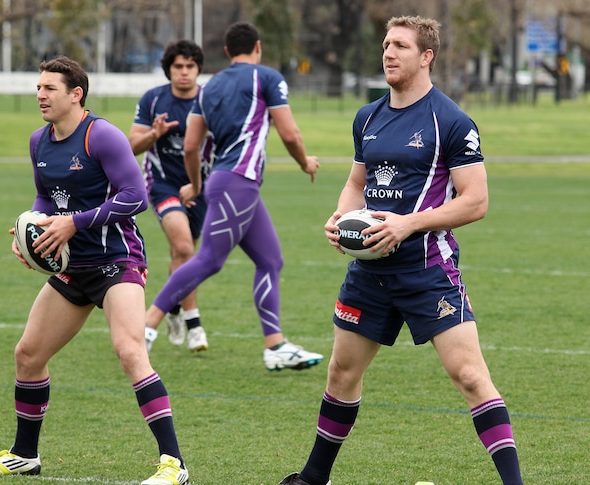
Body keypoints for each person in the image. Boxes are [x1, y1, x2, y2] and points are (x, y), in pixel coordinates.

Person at [279, 16, 523, 485]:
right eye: (386, 45)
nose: (389, 53)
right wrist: (339, 218)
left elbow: (476, 201)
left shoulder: (451, 121)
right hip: (369, 272)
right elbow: (357, 182)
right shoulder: (366, 117)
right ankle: (313, 477)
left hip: (428, 269)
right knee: (341, 373)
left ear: (426, 56)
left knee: (470, 376)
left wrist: (408, 224)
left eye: (401, 47)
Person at [0, 56, 188, 485]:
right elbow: (45, 198)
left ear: (76, 94)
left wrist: (77, 222)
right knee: (28, 354)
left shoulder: (101, 135)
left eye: (49, 88)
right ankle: (25, 454)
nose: (40, 95)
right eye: (38, 88)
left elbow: (135, 196)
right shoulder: (39, 141)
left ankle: (173, 465)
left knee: (130, 351)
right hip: (73, 266)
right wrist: (29, 232)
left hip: (116, 261)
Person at [143, 21, 324, 371]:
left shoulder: (207, 89)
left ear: (226, 52)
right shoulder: (266, 77)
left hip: (230, 183)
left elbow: (191, 146)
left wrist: (196, 186)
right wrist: (305, 162)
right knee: (209, 259)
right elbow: (289, 133)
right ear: (258, 47)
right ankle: (147, 326)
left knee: (270, 261)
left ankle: (275, 346)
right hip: (238, 182)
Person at [129, 40, 211, 354]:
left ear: (198, 69)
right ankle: (194, 324)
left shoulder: (210, 99)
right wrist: (154, 134)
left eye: (190, 66)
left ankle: (173, 309)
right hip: (162, 184)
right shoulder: (153, 99)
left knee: (183, 256)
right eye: (178, 66)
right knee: (183, 246)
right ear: (169, 69)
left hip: (201, 186)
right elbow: (132, 145)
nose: (184, 72)